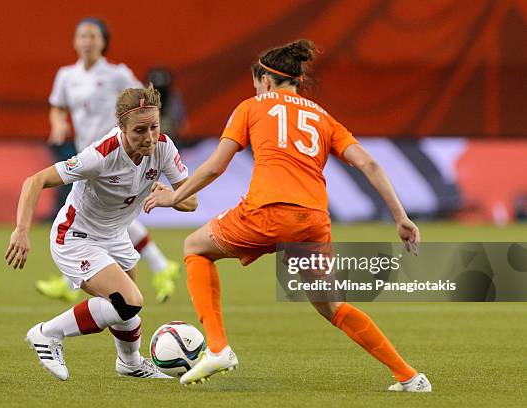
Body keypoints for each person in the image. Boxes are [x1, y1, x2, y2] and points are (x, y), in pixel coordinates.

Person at [144, 39, 432, 392]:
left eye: (255, 83)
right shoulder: (323, 117)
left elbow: (217, 165)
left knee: (195, 247)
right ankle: (408, 376)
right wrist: (401, 217)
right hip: (312, 219)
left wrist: (176, 196)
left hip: (268, 210)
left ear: (265, 80)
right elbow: (368, 163)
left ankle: (218, 348)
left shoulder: (252, 106)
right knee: (332, 306)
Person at [5, 86, 196, 380]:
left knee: (125, 310)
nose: (148, 137)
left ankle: (130, 364)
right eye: (139, 130)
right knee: (129, 301)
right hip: (76, 237)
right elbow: (35, 180)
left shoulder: (164, 147)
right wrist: (21, 230)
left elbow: (191, 201)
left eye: (154, 127)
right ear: (121, 127)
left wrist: (170, 196)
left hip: (115, 235)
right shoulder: (100, 155)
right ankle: (47, 333)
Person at [40, 17, 180, 304]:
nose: (87, 41)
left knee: (106, 217)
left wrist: (146, 128)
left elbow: (142, 101)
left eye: (93, 36)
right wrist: (58, 123)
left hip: (119, 154)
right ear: (74, 41)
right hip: (88, 157)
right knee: (104, 218)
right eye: (82, 36)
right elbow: (57, 106)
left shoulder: (117, 74)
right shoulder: (67, 75)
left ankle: (73, 281)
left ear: (103, 42)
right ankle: (160, 266)